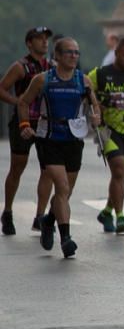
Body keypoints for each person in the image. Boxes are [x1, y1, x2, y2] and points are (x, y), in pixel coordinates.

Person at [18, 38, 101, 258]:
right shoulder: (42, 80)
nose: (74, 56)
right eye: (69, 52)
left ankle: (48, 220)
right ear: (58, 56)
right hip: (49, 138)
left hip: (73, 139)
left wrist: (96, 117)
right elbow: (23, 102)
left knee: (66, 191)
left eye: (77, 52)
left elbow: (94, 104)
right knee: (62, 187)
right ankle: (66, 239)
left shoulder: (82, 81)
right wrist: (25, 125)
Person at [1, 26, 54, 235]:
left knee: (48, 169)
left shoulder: (51, 67)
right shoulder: (20, 66)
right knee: (17, 167)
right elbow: (2, 87)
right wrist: (18, 101)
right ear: (29, 43)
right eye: (39, 39)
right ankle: (7, 211)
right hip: (23, 123)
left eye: (46, 39)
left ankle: (39, 216)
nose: (44, 42)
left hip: (43, 123)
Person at [88, 37, 124, 234]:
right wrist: (97, 104)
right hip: (108, 130)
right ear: (117, 53)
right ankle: (121, 216)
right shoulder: (101, 74)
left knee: (122, 178)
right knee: (118, 170)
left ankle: (107, 211)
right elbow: (85, 88)